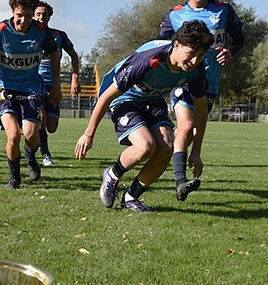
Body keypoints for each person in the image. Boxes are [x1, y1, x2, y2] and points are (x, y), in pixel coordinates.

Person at [73, 21, 214, 212]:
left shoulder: (196, 71)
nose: (195, 61)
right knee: (145, 146)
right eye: (191, 54)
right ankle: (112, 175)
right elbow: (106, 95)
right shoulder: (147, 61)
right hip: (124, 99)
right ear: (177, 45)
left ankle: (131, 197)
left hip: (153, 100)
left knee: (166, 148)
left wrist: (196, 151)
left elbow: (201, 111)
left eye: (200, 56)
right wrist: (88, 134)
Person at [158, 0, 245, 198]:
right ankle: (180, 181)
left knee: (195, 129)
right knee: (185, 126)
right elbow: (162, 45)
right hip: (183, 78)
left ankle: (177, 149)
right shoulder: (175, 15)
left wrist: (230, 51)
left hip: (210, 82)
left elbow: (239, 39)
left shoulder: (223, 10)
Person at [0, 0, 59, 189]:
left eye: (27, 16)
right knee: (13, 135)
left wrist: (57, 85)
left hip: (31, 88)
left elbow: (55, 55)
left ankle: (30, 156)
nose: (23, 21)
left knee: (32, 135)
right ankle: (14, 179)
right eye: (19, 16)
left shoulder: (41, 31)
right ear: (12, 11)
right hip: (6, 89)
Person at [33, 1, 80, 166]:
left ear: (49, 17)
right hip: (34, 83)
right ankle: (45, 155)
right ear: (33, 15)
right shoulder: (29, 35)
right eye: (38, 14)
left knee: (52, 126)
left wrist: (75, 76)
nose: (41, 17)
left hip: (53, 84)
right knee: (41, 119)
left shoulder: (59, 35)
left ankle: (35, 145)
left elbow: (74, 55)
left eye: (44, 14)